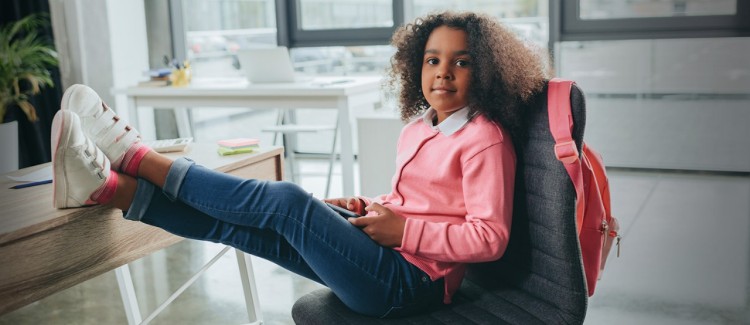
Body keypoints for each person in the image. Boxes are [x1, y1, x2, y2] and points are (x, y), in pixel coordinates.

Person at [51, 11, 548, 318]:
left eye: (460, 62)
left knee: (288, 201)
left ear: (484, 71)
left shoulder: (485, 139)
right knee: (246, 230)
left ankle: (138, 155)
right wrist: (367, 207)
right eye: (433, 60)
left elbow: (490, 237)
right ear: (415, 66)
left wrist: (404, 233)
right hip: (385, 259)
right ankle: (108, 189)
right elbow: (417, 204)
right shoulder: (420, 127)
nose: (443, 72)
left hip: (409, 286)